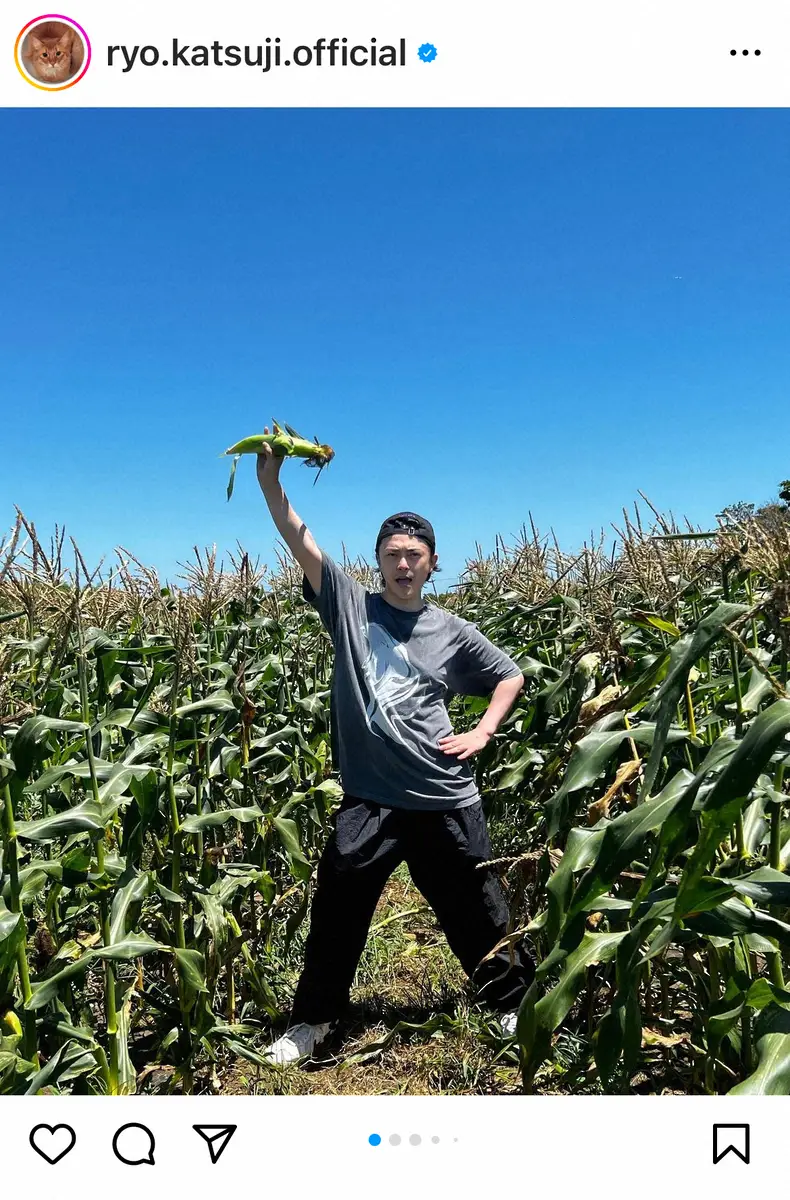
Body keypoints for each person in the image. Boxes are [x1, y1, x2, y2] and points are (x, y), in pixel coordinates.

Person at [255, 428, 535, 1065]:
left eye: (414, 554)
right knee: (337, 910)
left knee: (478, 909)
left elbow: (509, 675)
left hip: (442, 793)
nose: (403, 564)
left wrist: (483, 731)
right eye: (392, 554)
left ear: (432, 563)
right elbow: (300, 539)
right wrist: (272, 484)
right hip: (371, 799)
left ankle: (511, 1006)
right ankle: (314, 1021)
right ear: (378, 562)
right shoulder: (349, 606)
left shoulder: (452, 631)